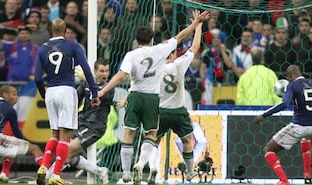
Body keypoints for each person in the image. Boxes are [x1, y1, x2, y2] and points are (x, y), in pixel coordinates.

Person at [97, 10, 210, 185]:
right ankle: (184, 172)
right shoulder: (164, 54)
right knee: (158, 137)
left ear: (136, 40)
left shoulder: (132, 55)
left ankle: (128, 172)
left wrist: (104, 92)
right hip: (160, 103)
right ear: (152, 39)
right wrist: (196, 24)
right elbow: (183, 40)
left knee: (130, 135)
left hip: (139, 98)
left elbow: (121, 76)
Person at [34, 18, 100, 185]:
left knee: (54, 133)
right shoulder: (73, 46)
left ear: (51, 30)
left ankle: (43, 166)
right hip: (66, 90)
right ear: (65, 31)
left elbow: (37, 78)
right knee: (66, 135)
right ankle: (55, 176)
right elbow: (85, 68)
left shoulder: (42, 50)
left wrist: (43, 93)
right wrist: (94, 92)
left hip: (51, 91)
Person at [255, 65, 312, 185]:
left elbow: (284, 104)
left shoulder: (292, 85)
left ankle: (283, 181)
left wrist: (264, 115)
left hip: (299, 126)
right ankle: (307, 176)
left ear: (290, 76)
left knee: (268, 149)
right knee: (305, 138)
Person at [147, 19, 204, 184]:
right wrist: (198, 27)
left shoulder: (155, 69)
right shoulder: (179, 64)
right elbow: (194, 47)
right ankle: (190, 171)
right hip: (178, 111)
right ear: (172, 55)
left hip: (160, 111)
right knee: (187, 140)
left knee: (154, 141)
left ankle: (153, 168)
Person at [45, 58, 113, 184]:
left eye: (106, 71)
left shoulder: (108, 87)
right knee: (68, 154)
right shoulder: (85, 84)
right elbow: (75, 99)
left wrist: (87, 79)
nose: (105, 74)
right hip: (80, 122)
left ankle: (47, 178)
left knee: (68, 150)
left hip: (95, 126)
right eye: (102, 71)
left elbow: (97, 96)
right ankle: (100, 171)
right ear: (95, 71)